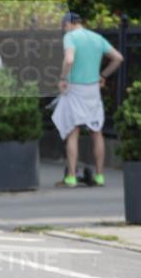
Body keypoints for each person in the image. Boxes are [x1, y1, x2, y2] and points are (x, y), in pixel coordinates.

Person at [51, 12, 123, 187]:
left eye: (63, 26)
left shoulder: (70, 37)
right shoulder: (97, 38)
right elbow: (118, 58)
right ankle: (99, 176)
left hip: (75, 88)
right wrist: (103, 75)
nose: (63, 30)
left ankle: (71, 178)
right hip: (93, 90)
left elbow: (69, 60)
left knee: (73, 132)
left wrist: (63, 79)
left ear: (69, 24)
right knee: (96, 131)